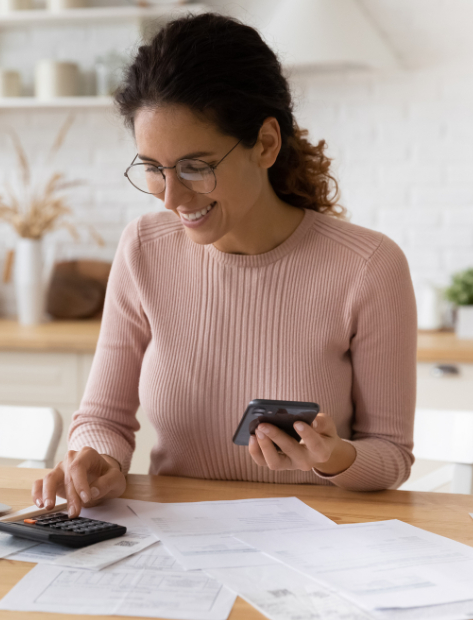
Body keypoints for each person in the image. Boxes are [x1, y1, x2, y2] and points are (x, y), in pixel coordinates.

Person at [34, 13, 417, 517]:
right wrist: (98, 459)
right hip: (173, 541)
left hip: (315, 545)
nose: (171, 197)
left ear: (266, 144)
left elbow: (391, 454)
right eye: (153, 168)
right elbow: (104, 416)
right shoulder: (144, 248)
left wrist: (335, 457)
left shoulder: (368, 266)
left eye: (196, 166)